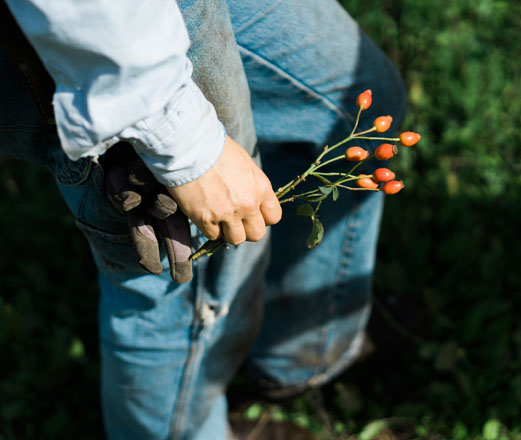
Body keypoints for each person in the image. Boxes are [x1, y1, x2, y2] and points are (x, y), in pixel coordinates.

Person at [0, 0, 406, 438]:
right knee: (182, 284)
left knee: (350, 104)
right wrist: (178, 137)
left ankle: (302, 358)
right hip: (104, 34)